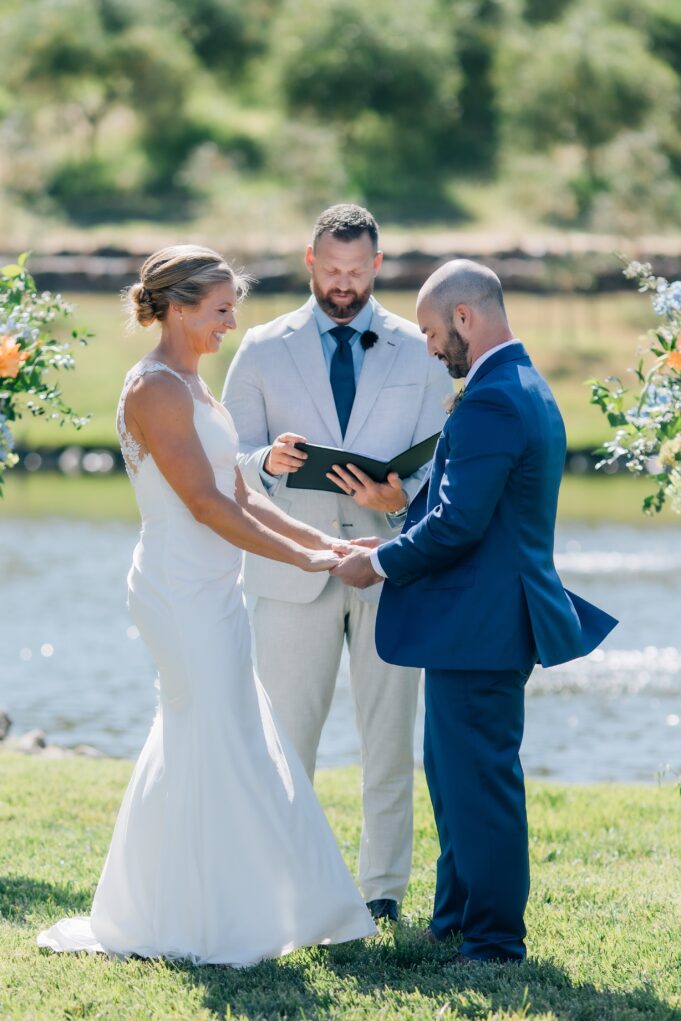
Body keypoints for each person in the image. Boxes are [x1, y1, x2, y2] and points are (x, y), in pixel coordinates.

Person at [37, 245, 376, 964]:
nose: (230, 322)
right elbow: (202, 504)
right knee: (216, 734)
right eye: (221, 309)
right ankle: (203, 918)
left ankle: (200, 904)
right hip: (177, 587)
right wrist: (313, 559)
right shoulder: (155, 387)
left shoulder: (194, 381)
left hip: (214, 588)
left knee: (215, 736)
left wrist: (328, 544)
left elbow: (244, 493)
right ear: (180, 307)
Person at [332, 259, 618, 961]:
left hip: (485, 624)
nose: (430, 347)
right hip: (476, 620)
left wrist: (375, 563)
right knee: (451, 769)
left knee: (480, 779)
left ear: (464, 317)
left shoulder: (493, 397)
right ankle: (455, 914)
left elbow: (460, 523)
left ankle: (493, 937)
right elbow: (462, 514)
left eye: (432, 331)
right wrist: (397, 525)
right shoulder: (515, 384)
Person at [222, 205, 450, 924]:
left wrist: (398, 495)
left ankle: (381, 892)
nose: (343, 285)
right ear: (309, 260)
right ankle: (286, 885)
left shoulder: (421, 349)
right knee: (286, 739)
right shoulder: (260, 347)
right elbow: (222, 463)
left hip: (390, 569)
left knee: (388, 744)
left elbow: (442, 465)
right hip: (291, 572)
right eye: (332, 270)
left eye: (357, 272)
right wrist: (265, 461)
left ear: (376, 266)